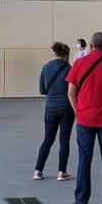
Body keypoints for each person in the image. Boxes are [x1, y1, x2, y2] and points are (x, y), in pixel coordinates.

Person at [66, 32, 102, 204]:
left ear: (90, 45)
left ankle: (81, 202)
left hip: (85, 119)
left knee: (84, 159)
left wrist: (77, 111)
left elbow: (71, 93)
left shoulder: (79, 63)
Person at [34, 42, 74, 182]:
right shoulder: (70, 69)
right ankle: (62, 172)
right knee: (64, 141)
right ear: (66, 55)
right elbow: (74, 91)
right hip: (66, 108)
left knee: (47, 140)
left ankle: (38, 170)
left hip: (50, 108)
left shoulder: (45, 68)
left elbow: (42, 90)